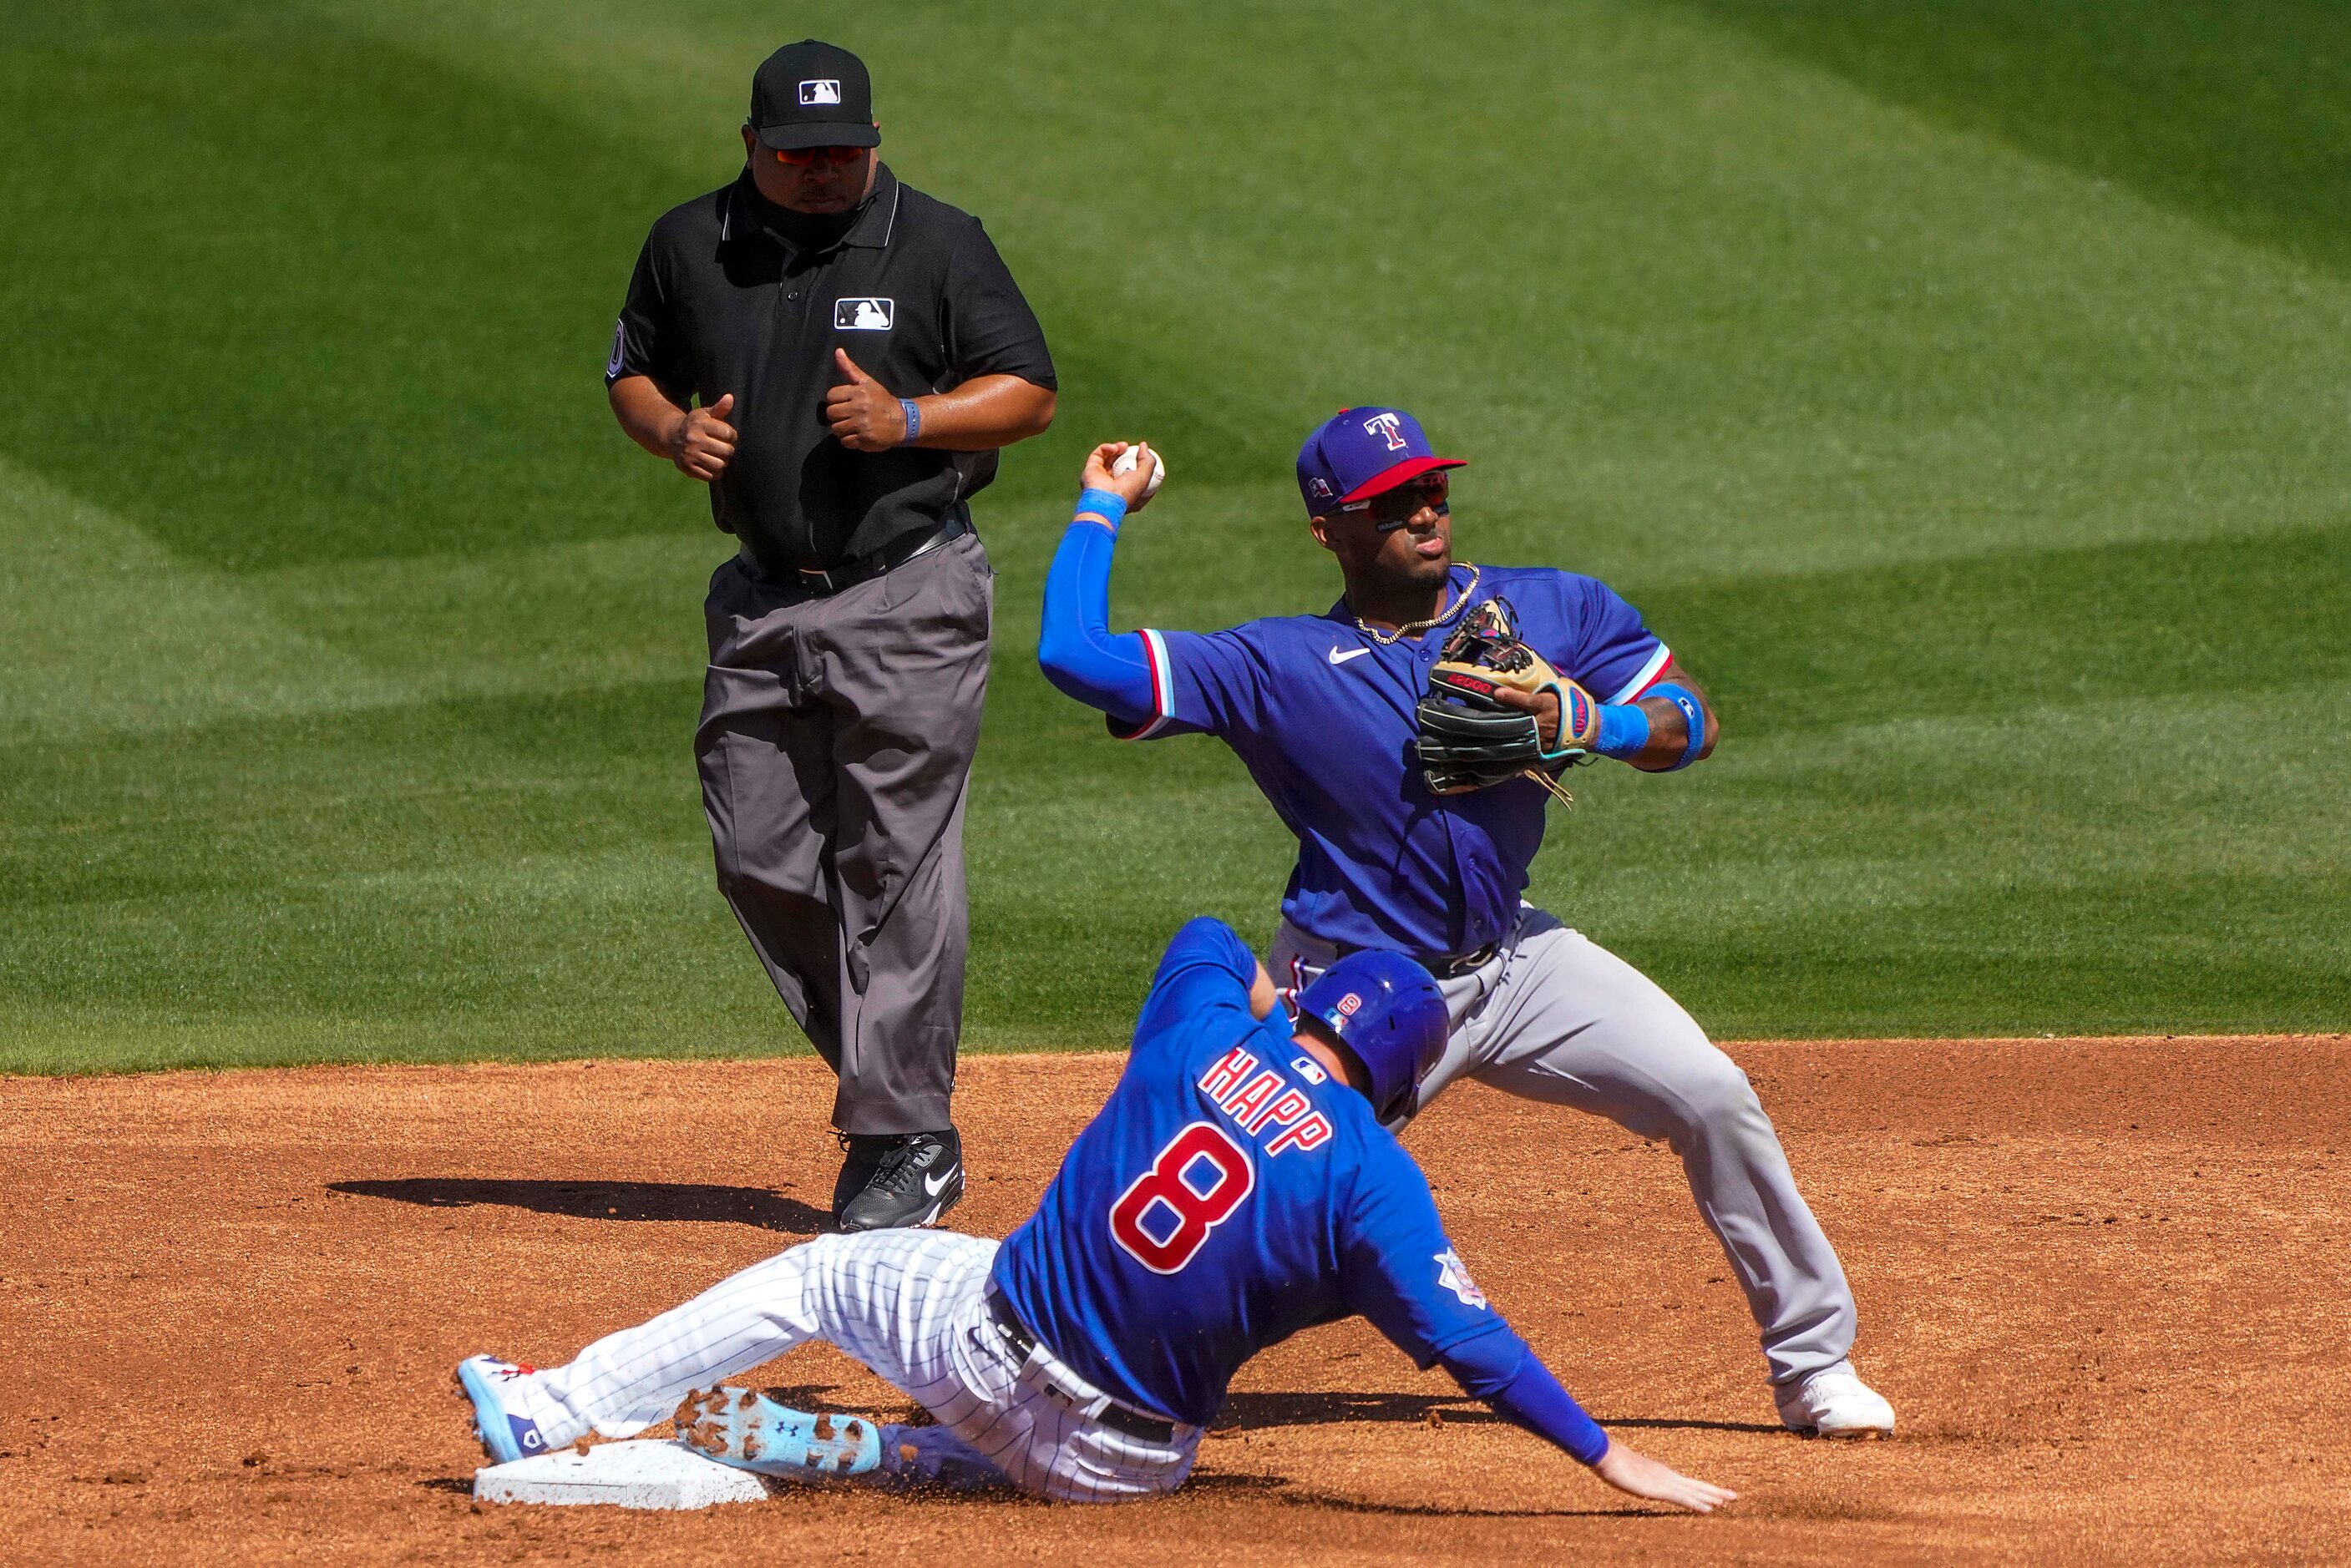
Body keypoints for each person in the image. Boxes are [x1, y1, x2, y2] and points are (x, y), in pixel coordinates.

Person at [1032, 417, 1897, 1437]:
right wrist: (1100, 506)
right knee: (1253, 1188)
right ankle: (1071, 1363)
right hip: (1351, 995)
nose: (1423, 512)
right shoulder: (1279, 664)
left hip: (1518, 961)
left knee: (1712, 1092)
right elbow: (1071, 655)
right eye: (1390, 502)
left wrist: (1596, 723)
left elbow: (1691, 722)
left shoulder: (1546, 609)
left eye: (1432, 490)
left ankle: (1813, 1367)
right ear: (1328, 530)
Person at [455, 918, 1735, 1510]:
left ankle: (554, 1405)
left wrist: (1254, 1004)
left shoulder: (1197, 1030)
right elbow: (1478, 1347)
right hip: (1111, 1472)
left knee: (819, 1273)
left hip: (977, 1351)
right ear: (1399, 1088)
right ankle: (899, 1462)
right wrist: (1612, 1460)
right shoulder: (1375, 1187)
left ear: (1304, 1009)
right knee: (1084, 1406)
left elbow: (1203, 934)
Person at [604, 39, 1057, 1230]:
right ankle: (894, 1096)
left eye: (843, 150)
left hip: (909, 592)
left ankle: (903, 1131)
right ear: (751, 146)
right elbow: (632, 370)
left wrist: (911, 416)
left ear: (873, 142)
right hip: (759, 601)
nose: (822, 170)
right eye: (799, 153)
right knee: (756, 854)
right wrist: (669, 434)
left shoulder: (936, 242)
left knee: (894, 865)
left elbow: (1028, 391)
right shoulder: (688, 242)